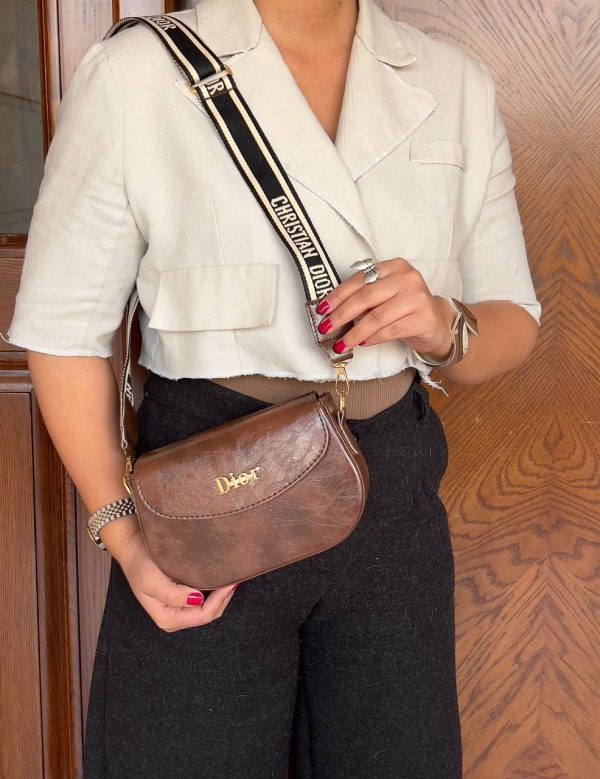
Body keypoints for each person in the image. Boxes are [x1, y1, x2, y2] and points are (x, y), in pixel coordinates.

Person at [5, 0, 541, 776]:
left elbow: (514, 321)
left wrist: (440, 323)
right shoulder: (136, 73)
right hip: (210, 486)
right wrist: (122, 531)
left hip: (391, 497)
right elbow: (62, 332)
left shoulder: (454, 81)